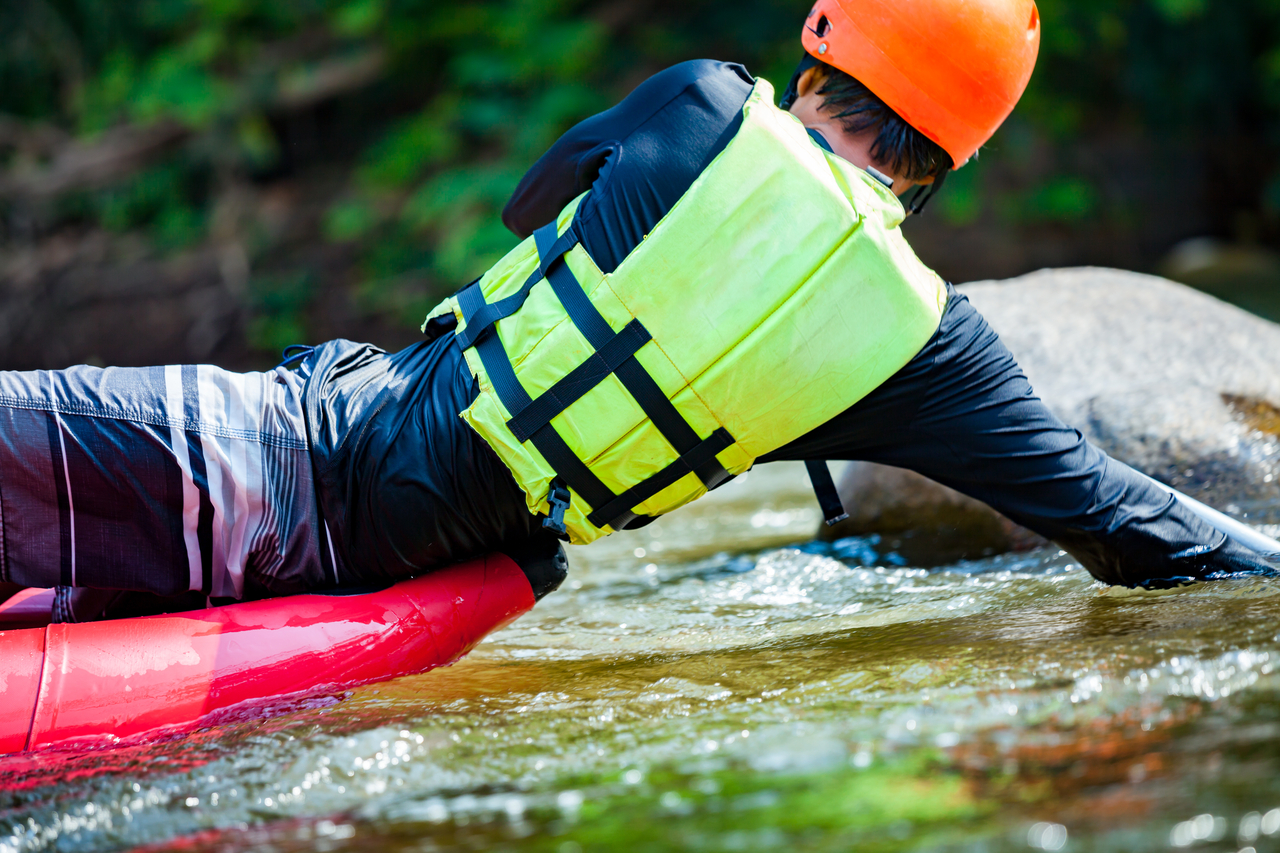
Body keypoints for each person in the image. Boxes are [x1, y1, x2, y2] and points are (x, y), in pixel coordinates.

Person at [0, 0, 1269, 624]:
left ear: (824, 47)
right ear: (952, 153)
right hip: (445, 559)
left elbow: (523, 206)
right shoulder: (927, 347)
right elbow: (1125, 525)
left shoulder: (705, 104)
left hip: (303, 456)